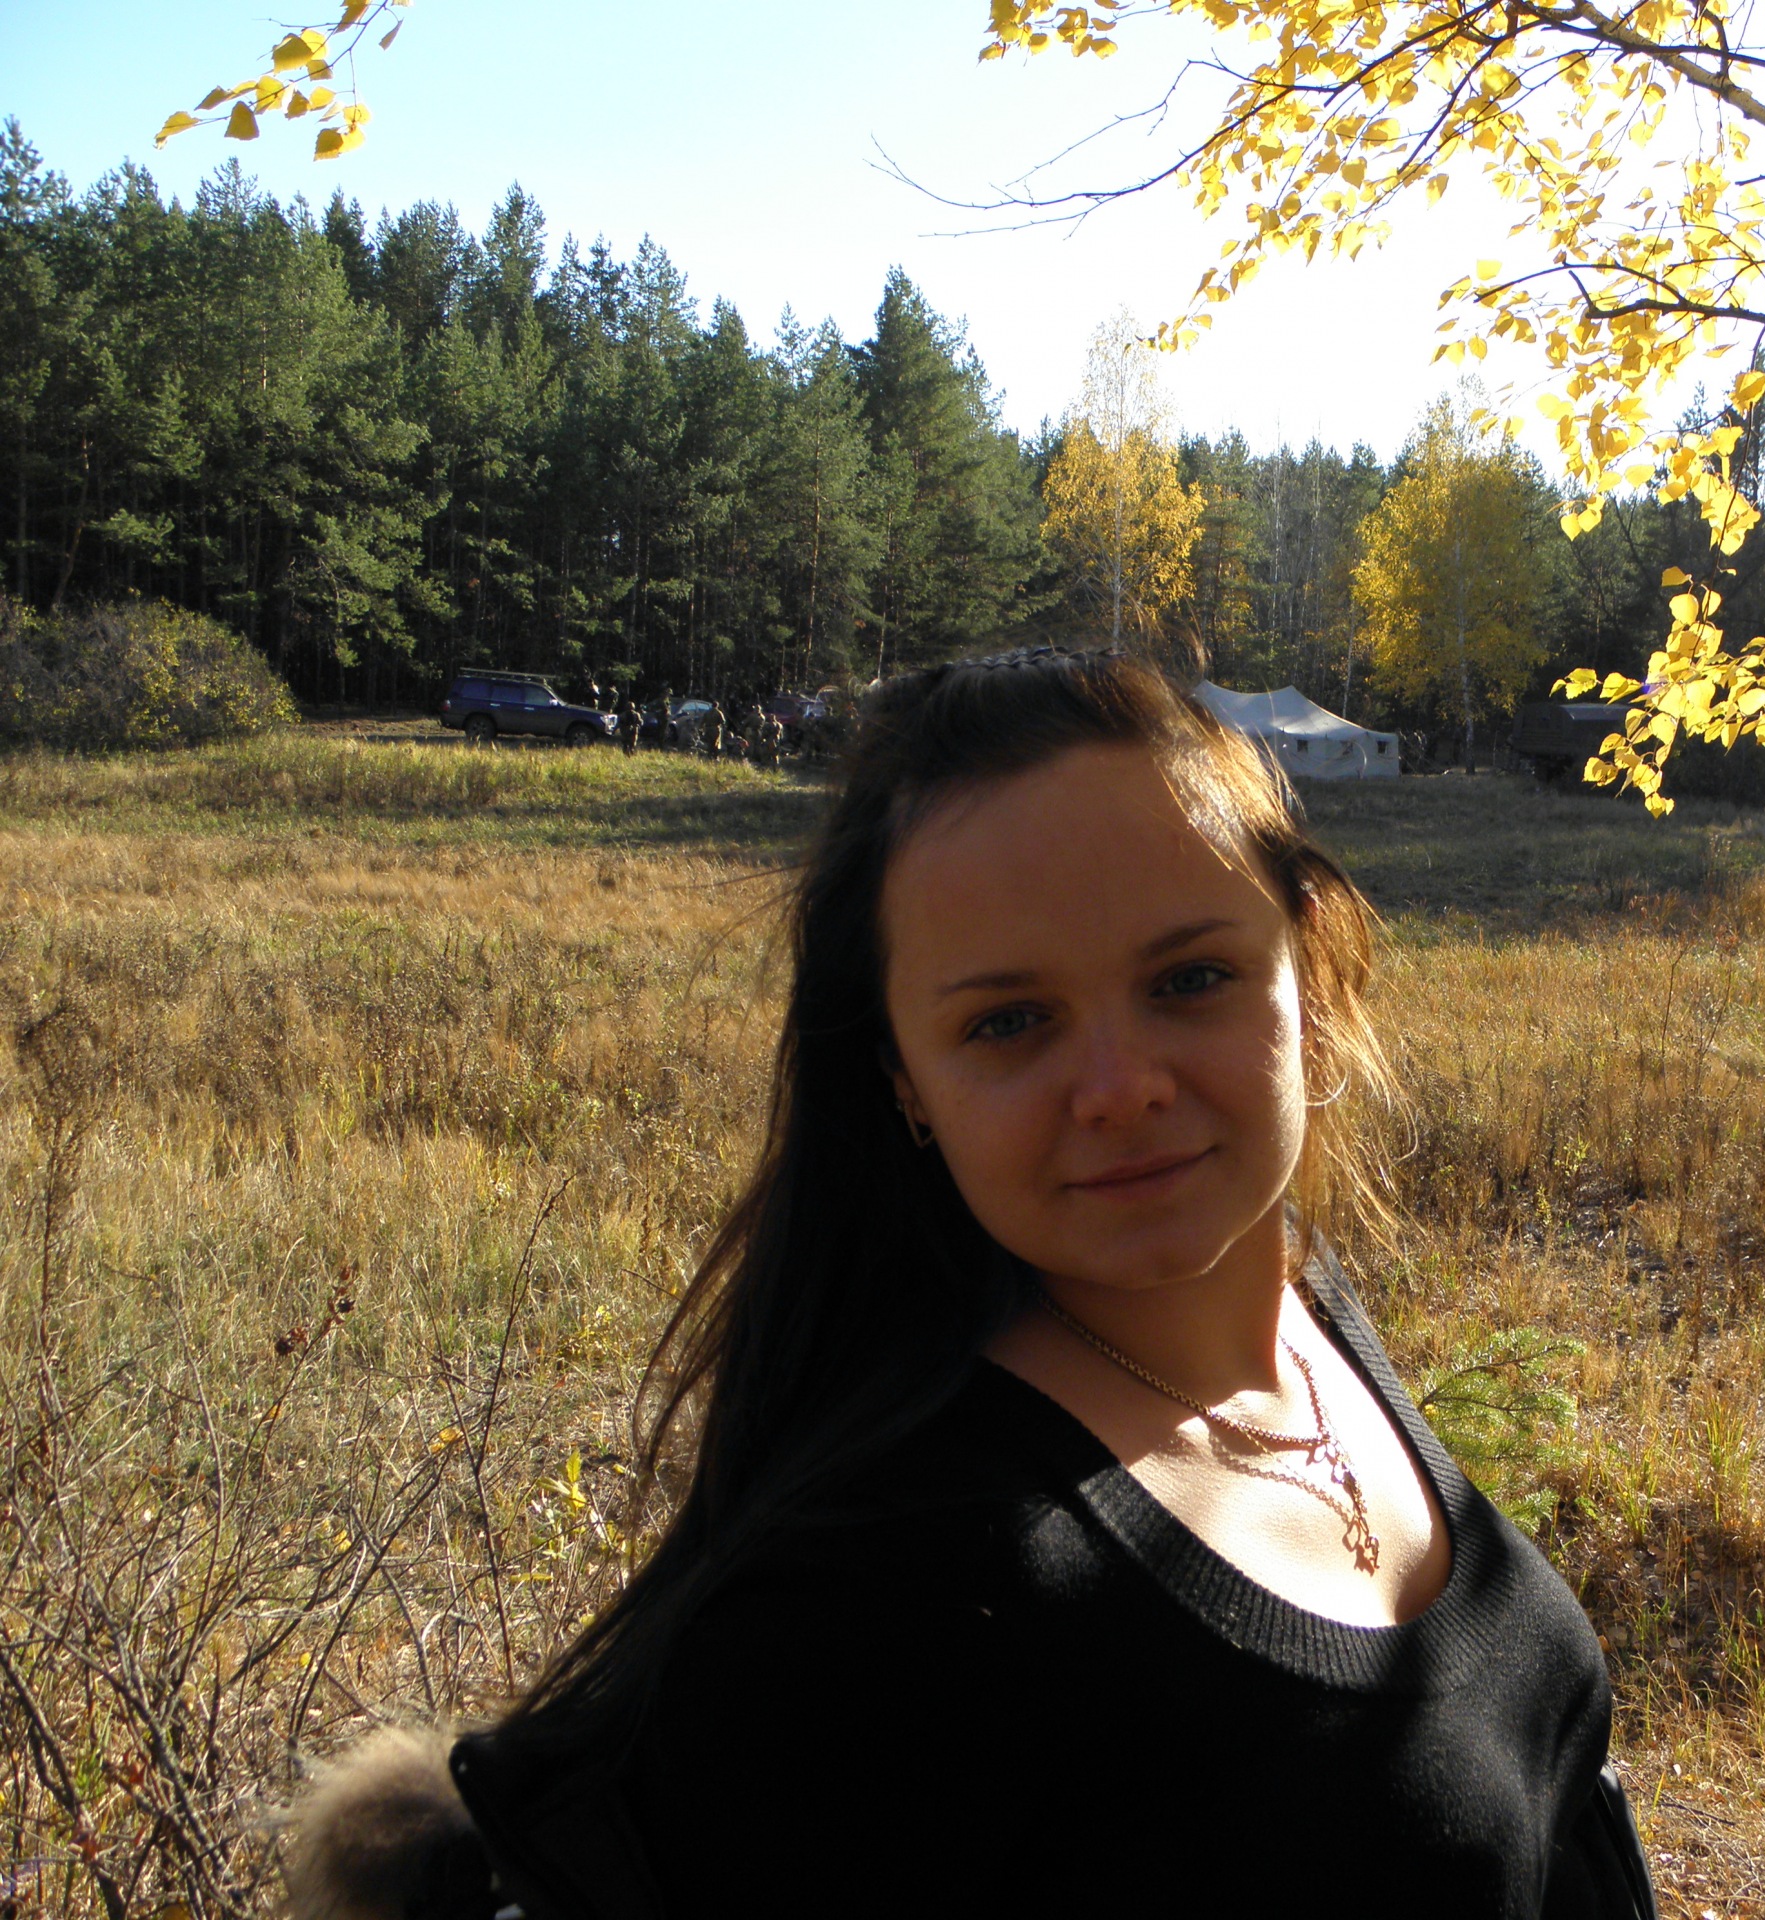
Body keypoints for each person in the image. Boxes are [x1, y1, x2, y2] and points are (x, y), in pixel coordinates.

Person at [284, 649, 1656, 1920]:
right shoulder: (877, 1599)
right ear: (906, 1085)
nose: (1120, 1088)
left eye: (1190, 978)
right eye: (1010, 1022)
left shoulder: (1302, 1310)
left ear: (1309, 962)